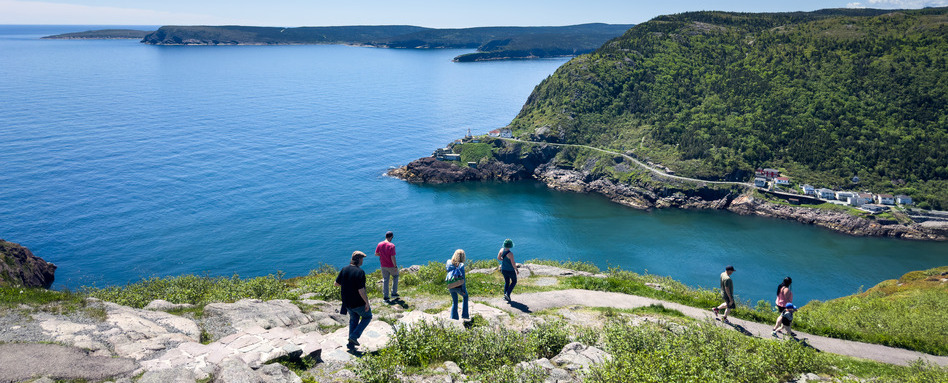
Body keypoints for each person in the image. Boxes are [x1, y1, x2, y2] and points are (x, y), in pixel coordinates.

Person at [335, 250, 372, 348]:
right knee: (367, 316)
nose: (362, 261)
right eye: (362, 259)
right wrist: (367, 303)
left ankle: (351, 342)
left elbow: (336, 284)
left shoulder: (344, 269)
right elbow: (361, 290)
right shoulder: (360, 272)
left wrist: (347, 284)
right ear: (359, 260)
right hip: (358, 302)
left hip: (347, 302)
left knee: (353, 319)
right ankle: (354, 336)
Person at [445, 249, 469, 321]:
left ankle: (454, 318)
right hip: (458, 286)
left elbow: (448, 270)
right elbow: (463, 280)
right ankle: (465, 315)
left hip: (450, 285)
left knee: (455, 301)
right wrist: (463, 290)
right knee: (465, 297)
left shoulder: (448, 262)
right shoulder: (461, 265)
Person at [375, 231, 399, 300]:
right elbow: (392, 257)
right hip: (391, 265)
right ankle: (394, 293)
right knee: (395, 276)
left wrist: (382, 255)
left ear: (385, 236)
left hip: (383, 265)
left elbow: (376, 254)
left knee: (385, 280)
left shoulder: (380, 244)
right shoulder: (391, 245)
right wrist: (395, 266)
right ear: (391, 237)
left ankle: (386, 296)